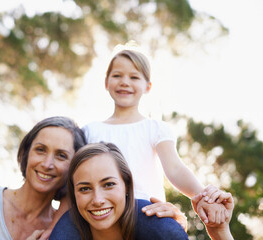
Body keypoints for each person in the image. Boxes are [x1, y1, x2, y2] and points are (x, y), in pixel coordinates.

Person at [82, 48, 231, 225]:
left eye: (134, 77)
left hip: (146, 210)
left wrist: (203, 197)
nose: (124, 82)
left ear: (148, 86)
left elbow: (175, 169)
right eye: (117, 76)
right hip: (101, 210)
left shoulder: (155, 128)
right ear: (106, 82)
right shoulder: (89, 130)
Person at [51, 142, 189, 240]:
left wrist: (175, 230)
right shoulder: (62, 232)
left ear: (126, 186)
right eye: (85, 189)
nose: (98, 200)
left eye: (108, 184)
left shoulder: (160, 230)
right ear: (74, 194)